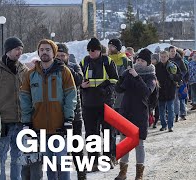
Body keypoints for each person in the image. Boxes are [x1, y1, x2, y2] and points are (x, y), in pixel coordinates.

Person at [20, 39, 77, 180]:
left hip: (60, 127)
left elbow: (71, 96)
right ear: (38, 52)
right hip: (40, 128)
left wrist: (68, 119)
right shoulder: (30, 74)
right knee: (49, 165)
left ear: (54, 52)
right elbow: (25, 99)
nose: (44, 52)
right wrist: (27, 122)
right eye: (42, 50)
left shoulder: (64, 72)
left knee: (62, 164)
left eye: (47, 50)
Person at [114, 48, 157, 180]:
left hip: (140, 112)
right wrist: (122, 77)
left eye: (142, 61)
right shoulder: (130, 73)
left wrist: (137, 77)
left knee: (139, 143)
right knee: (124, 141)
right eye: (137, 59)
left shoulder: (151, 77)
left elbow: (146, 92)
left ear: (148, 63)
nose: (138, 62)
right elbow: (119, 89)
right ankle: (122, 172)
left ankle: (139, 174)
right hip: (126, 111)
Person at [80, 37, 118, 171]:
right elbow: (79, 80)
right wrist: (82, 86)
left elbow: (114, 80)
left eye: (94, 50)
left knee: (108, 132)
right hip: (88, 103)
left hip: (105, 102)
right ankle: (93, 160)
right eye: (89, 50)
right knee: (91, 134)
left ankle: (109, 158)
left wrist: (105, 89)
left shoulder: (107, 61)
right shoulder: (84, 61)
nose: (91, 52)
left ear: (99, 50)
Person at [0, 37, 28, 180]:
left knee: (18, 159)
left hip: (19, 121)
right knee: (1, 158)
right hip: (3, 121)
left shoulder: (23, 69)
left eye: (21, 49)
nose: (20, 52)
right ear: (8, 50)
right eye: (17, 49)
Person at [56, 43, 86, 179]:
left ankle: (81, 173)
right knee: (61, 148)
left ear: (67, 56)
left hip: (75, 114)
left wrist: (65, 68)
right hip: (57, 114)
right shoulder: (51, 68)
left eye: (63, 56)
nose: (60, 58)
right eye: (58, 56)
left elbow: (79, 79)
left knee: (76, 146)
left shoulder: (74, 66)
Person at [155, 51, 182, 132]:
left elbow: (180, 76)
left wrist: (173, 76)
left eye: (164, 57)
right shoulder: (157, 66)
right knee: (161, 109)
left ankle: (170, 126)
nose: (163, 58)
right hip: (160, 90)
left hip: (170, 90)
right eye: (161, 57)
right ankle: (163, 125)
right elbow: (153, 76)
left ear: (167, 57)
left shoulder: (172, 65)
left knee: (170, 109)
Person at [169, 46, 188, 121]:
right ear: (169, 52)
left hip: (179, 80)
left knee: (181, 97)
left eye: (174, 51)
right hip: (171, 81)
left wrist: (179, 76)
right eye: (171, 51)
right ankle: (176, 114)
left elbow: (184, 70)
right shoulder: (167, 59)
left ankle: (182, 113)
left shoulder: (179, 59)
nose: (173, 52)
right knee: (175, 98)